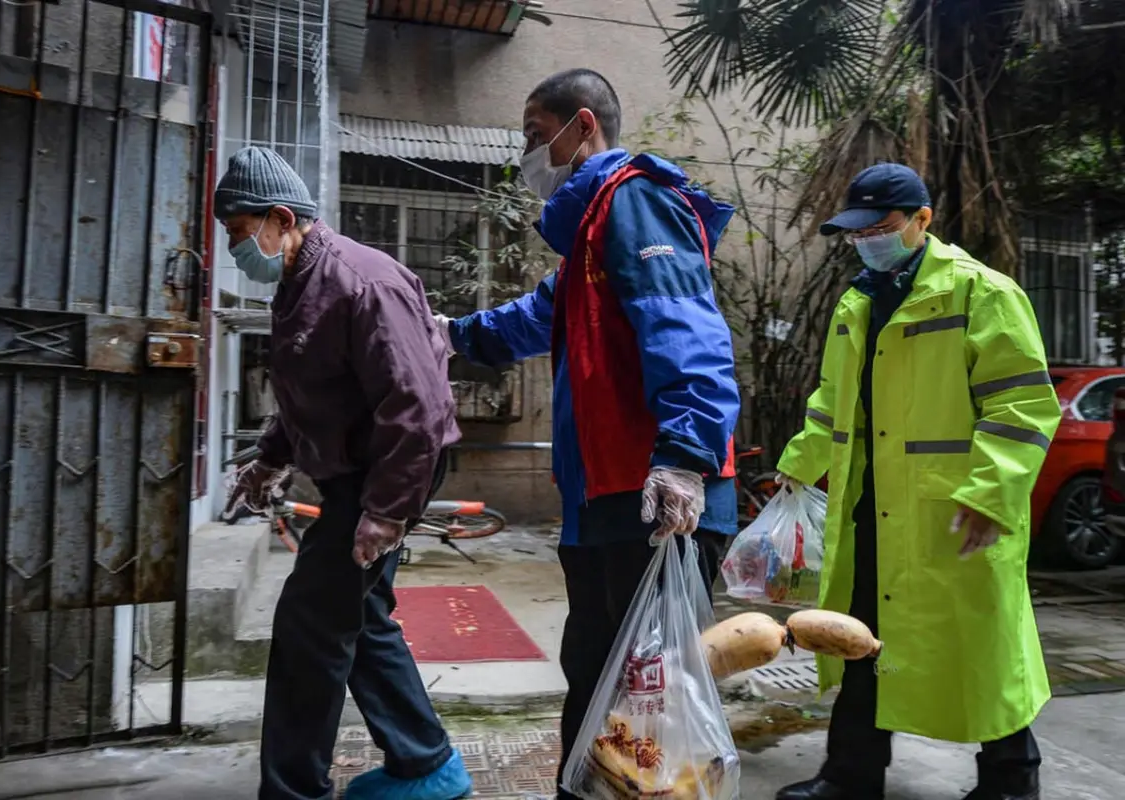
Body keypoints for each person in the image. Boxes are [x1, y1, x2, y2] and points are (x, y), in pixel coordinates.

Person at [432, 68, 741, 797]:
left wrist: (686, 457)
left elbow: (688, 331)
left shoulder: (634, 202)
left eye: (538, 136)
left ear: (583, 126)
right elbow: (535, 318)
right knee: (603, 681)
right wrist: (451, 335)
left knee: (645, 694)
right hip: (607, 495)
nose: (530, 154)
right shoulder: (593, 236)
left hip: (656, 492)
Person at [774, 163, 1058, 800]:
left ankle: (1012, 786)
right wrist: (798, 465)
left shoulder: (981, 293)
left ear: (923, 220)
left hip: (954, 515)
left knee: (986, 651)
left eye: (881, 227)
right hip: (870, 510)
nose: (867, 240)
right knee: (861, 641)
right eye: (857, 231)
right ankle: (850, 775)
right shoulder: (858, 303)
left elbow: (1022, 407)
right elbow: (832, 401)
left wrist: (990, 494)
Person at [217, 146, 472, 800]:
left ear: (280, 218)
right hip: (357, 471)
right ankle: (427, 764)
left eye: (239, 234)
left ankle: (295, 791)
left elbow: (417, 405)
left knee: (311, 621)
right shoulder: (300, 283)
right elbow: (313, 393)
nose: (234, 250)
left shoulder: (361, 280)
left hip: (390, 467)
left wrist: (385, 510)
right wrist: (270, 459)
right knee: (359, 618)